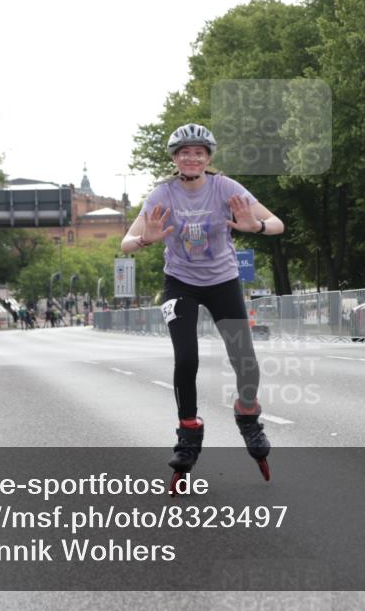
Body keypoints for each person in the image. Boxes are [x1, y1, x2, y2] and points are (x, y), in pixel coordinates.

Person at [121, 123, 284, 493]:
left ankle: (248, 415)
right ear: (175, 159)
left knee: (244, 358)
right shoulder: (162, 193)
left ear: (208, 158)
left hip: (223, 281)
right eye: (184, 153)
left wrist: (255, 226)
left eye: (198, 152)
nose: (191, 158)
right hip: (180, 283)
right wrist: (145, 239)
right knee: (186, 358)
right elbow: (126, 242)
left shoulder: (225, 188)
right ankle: (188, 433)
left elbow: (277, 224)